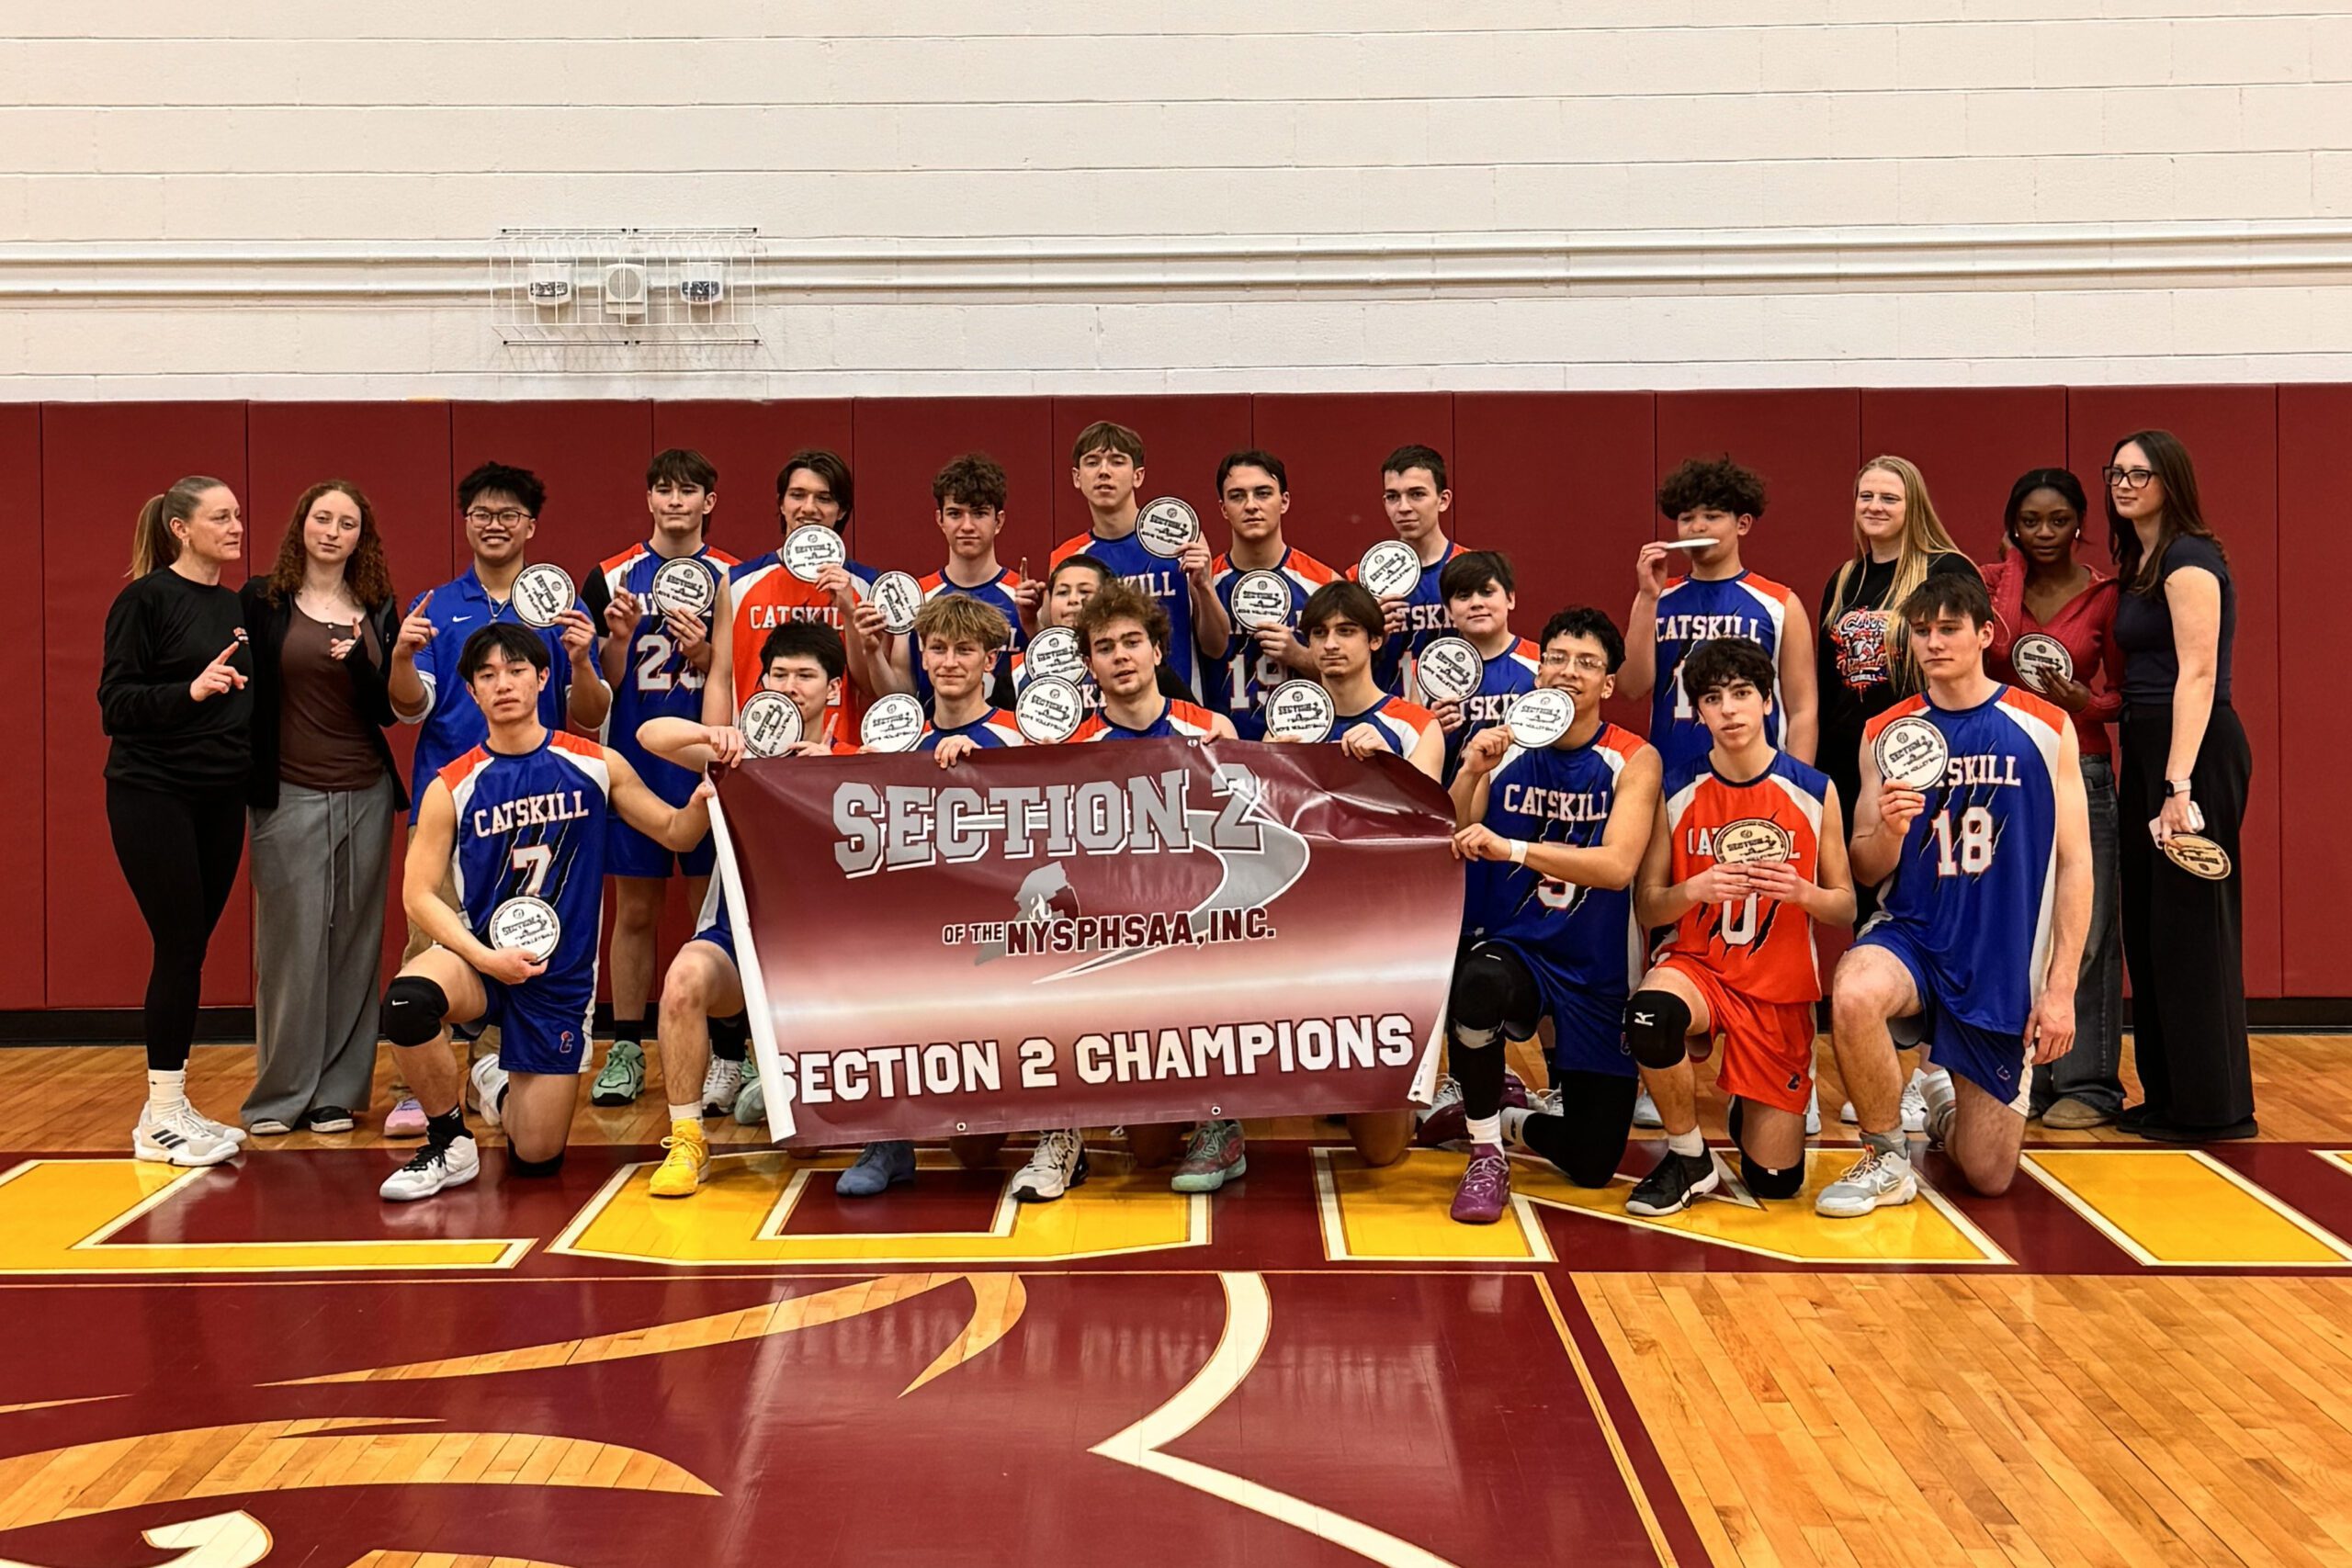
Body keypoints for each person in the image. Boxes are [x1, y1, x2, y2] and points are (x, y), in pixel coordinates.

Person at [377, 625, 714, 1202]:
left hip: (558, 979)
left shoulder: (595, 764)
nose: (502, 684)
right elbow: (419, 896)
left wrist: (710, 792)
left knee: (536, 1160)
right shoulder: (450, 786)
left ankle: (492, 1081)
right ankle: (448, 1141)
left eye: (515, 671)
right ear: (474, 693)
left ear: (542, 678)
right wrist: (483, 955)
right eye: (487, 676)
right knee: (407, 1003)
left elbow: (676, 834)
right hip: (482, 958)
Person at [1818, 574, 2091, 1215]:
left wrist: (2061, 988)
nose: (1934, 642)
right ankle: (1885, 1154)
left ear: (1984, 634)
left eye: (1948, 628)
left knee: (1988, 1174)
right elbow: (1863, 864)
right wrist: (1887, 827)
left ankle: (1941, 1101)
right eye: (1922, 631)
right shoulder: (1886, 731)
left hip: (1999, 956)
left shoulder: (2046, 726)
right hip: (1912, 932)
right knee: (1854, 989)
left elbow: (2078, 863)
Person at [384, 460, 607, 1136]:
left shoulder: (561, 607)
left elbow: (591, 715)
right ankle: (418, 1086)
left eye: (509, 514)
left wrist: (585, 658)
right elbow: (411, 707)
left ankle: (496, 1068)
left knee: (523, 937)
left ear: (531, 526)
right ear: (467, 522)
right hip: (453, 801)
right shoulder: (438, 604)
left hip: (539, 803)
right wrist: (400, 658)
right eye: (482, 513)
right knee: (433, 938)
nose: (494, 524)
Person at [1425, 606, 1659, 1224]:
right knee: (1475, 985)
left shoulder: (1634, 758)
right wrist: (1471, 769)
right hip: (1517, 948)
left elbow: (1616, 867)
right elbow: (1450, 832)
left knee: (1591, 1161)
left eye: (1586, 663)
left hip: (1595, 966)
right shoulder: (1503, 747)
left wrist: (1514, 848)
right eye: (1556, 657)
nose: (1567, 671)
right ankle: (1485, 1150)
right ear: (1538, 668)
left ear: (1608, 683)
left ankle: (1506, 1118)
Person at [1623, 638, 1853, 1216]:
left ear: (1768, 701)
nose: (1729, 710)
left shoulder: (1814, 789)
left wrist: (1805, 893)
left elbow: (1846, 906)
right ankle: (1688, 1156)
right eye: (1713, 698)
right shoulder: (1675, 790)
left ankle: (1748, 1106)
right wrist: (1692, 890)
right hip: (1698, 968)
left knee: (1775, 1183)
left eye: (1743, 694)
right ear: (1698, 712)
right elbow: (1649, 907)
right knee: (1651, 1016)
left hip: (1778, 989)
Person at [638, 623, 864, 1198]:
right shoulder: (735, 750)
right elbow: (649, 735)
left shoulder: (853, 758)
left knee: (805, 1147)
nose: (790, 686)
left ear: (834, 690)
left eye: (806, 676)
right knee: (683, 980)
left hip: (825, 958)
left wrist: (839, 767)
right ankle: (688, 1140)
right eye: (779, 674)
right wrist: (713, 733)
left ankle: (786, 1079)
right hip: (739, 939)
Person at [829, 594, 1030, 1201]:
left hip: (1000, 936)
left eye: (964, 649)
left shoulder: (1020, 736)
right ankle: (889, 1139)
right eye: (937, 648)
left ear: (991, 659)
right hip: (913, 935)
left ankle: (1048, 1124)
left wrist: (985, 772)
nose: (948, 661)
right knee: (865, 967)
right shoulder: (895, 737)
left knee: (974, 1151)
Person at [237, 480, 405, 1137]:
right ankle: (278, 1096)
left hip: (364, 790)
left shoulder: (375, 605)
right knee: (290, 946)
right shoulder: (262, 600)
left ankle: (337, 1092)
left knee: (354, 943)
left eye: (347, 523)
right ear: (301, 525)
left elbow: (384, 709)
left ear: (362, 536)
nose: (332, 531)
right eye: (322, 518)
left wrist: (360, 663)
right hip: (288, 792)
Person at [1816, 455, 1979, 1132]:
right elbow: (1827, 687)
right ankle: (1889, 1067)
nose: (1875, 506)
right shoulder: (1847, 577)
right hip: (1854, 759)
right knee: (1870, 909)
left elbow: (1964, 667)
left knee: (1926, 903)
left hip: (1920, 756)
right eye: (1865, 495)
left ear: (1913, 503)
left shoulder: (1946, 570)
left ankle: (1932, 1073)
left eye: (1889, 496)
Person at [2107, 430, 2256, 1141]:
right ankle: (2168, 1096)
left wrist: (2178, 783)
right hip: (2147, 745)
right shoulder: (2143, 560)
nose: (2125, 483)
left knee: (2193, 928)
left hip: (2189, 752)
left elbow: (2198, 674)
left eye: (2141, 473)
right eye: (2117, 472)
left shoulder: (2190, 558)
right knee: (2153, 928)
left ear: (2172, 481)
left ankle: (2213, 1109)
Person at [101, 476, 254, 1166]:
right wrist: (189, 690)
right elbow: (117, 703)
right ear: (180, 529)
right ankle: (159, 1116)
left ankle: (172, 1101)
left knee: (190, 946)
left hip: (219, 798)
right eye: (220, 516)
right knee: (179, 942)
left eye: (238, 515)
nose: (236, 525)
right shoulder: (143, 599)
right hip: (152, 792)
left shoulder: (230, 604)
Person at [1067, 581, 1239, 1190]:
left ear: (1158, 651)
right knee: (1149, 1153)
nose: (1120, 655)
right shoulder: (1070, 749)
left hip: (1206, 928)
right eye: (1104, 645)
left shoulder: (1211, 730)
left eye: (1132, 641)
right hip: (1118, 931)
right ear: (1089, 663)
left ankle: (1223, 1121)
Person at [581, 449, 740, 1110]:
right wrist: (616, 640)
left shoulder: (732, 576)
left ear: (709, 501)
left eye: (689, 491)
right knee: (636, 910)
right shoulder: (611, 575)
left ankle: (730, 1053)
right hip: (635, 759)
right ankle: (624, 1045)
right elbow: (592, 689)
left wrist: (706, 652)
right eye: (664, 490)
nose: (675, 501)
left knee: (712, 910)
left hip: (701, 759)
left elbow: (732, 672)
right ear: (648, 499)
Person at [1981, 468, 2127, 1130]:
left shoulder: (2105, 596)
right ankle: (2024, 1074)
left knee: (2087, 929)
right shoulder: (1991, 582)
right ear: (2012, 523)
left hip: (2084, 767)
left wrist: (2085, 702)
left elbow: (2127, 694)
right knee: (2015, 924)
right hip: (2005, 770)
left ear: (2079, 524)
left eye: (2058, 520)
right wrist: (2010, 565)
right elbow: (2000, 644)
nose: (2044, 533)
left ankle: (2089, 1083)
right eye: (2030, 521)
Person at [1295, 581, 1445, 1168]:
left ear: (1376, 640)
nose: (1331, 645)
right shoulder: (1287, 718)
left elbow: (1428, 828)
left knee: (1382, 1155)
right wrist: (1280, 764)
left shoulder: (1412, 723)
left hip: (1386, 925)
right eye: (1320, 634)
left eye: (1347, 631)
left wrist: (1384, 767)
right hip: (1303, 924)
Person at [1619, 455, 1817, 777]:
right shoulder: (1657, 598)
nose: (1697, 527)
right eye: (1687, 518)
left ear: (1742, 524)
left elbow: (1803, 708)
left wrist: (1797, 782)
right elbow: (1631, 686)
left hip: (1759, 777)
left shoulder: (1780, 603)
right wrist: (1647, 598)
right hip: (1674, 776)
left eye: (1711, 516)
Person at [1052, 421, 1228, 698]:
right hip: (1105, 712)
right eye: (1092, 462)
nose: (1104, 472)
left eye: (1117, 461)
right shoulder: (1068, 558)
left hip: (1180, 709)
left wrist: (1205, 586)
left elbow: (1216, 646)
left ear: (1138, 475)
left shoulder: (1179, 539)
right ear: (1077, 477)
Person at [863, 453, 1035, 706]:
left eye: (978, 514)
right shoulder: (916, 597)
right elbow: (901, 697)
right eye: (955, 514)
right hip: (933, 740)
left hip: (1006, 741)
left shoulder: (1024, 599)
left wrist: (1036, 623)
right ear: (939, 519)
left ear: (998, 521)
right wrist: (873, 651)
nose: (966, 526)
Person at [728, 449, 880, 722]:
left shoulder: (867, 586)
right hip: (756, 750)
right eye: (797, 495)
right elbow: (720, 678)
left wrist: (848, 611)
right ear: (782, 504)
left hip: (836, 751)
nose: (809, 508)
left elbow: (870, 687)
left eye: (824, 498)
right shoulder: (738, 582)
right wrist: (715, 758)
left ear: (842, 510)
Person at [1200, 448, 1333, 738]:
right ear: (1223, 508)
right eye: (1237, 496)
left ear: (1284, 501)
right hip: (1223, 750)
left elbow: (1353, 679)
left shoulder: (1324, 584)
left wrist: (1299, 655)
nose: (1251, 506)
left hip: (1305, 746)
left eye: (1263, 493)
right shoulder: (1204, 584)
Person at [1351, 444, 1467, 695]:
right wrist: (1370, 632)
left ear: (1443, 500)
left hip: (1458, 716)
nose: (1403, 507)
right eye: (1393, 497)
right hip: (1387, 721)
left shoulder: (1475, 571)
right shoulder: (1359, 578)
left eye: (1416, 494)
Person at [1435, 549, 1541, 777]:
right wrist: (1431, 731)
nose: (1476, 603)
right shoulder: (1427, 671)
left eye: (1487, 592)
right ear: (1448, 611)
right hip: (1453, 803)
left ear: (1510, 598)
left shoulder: (1541, 663)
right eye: (1463, 596)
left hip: (1520, 803)